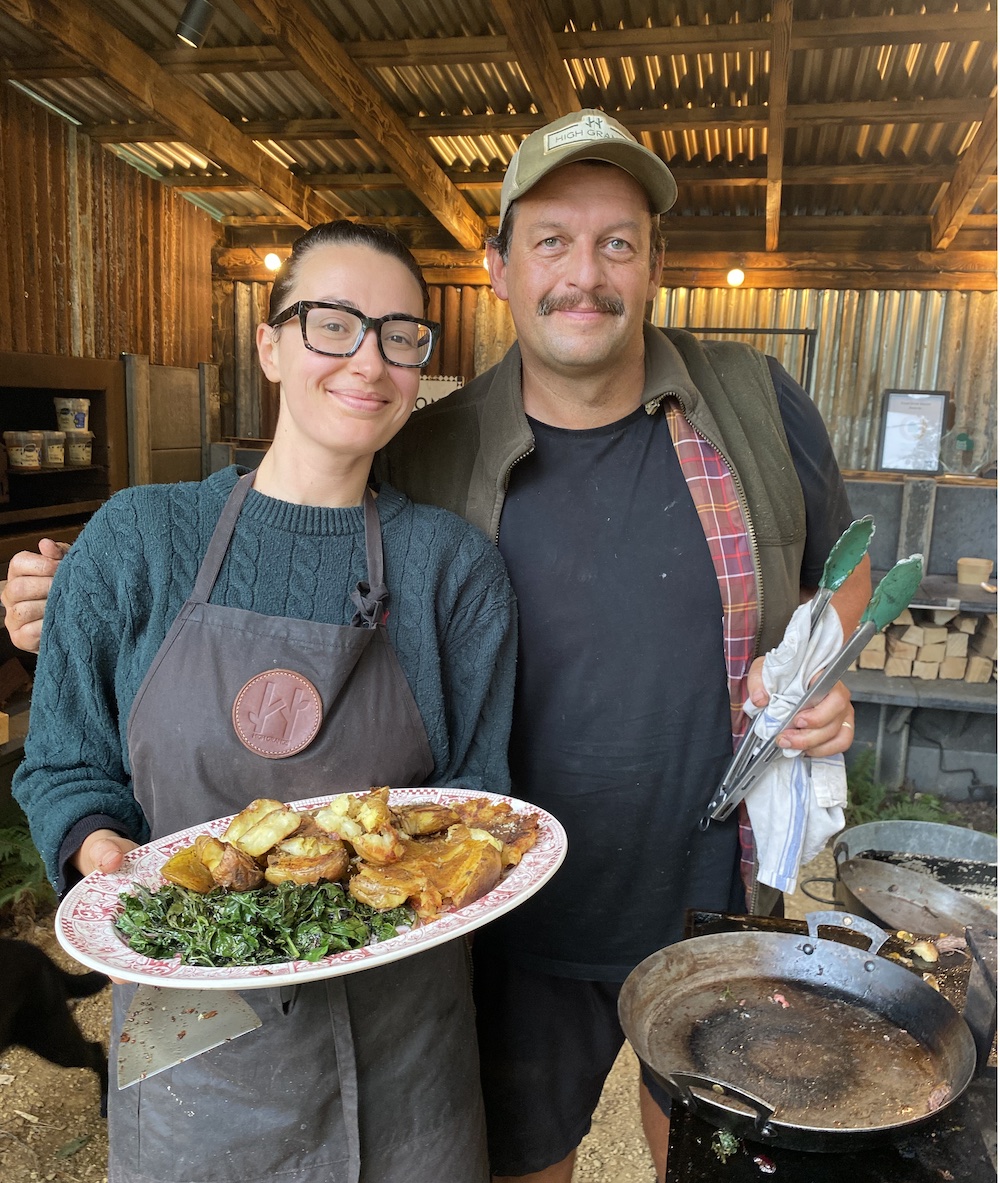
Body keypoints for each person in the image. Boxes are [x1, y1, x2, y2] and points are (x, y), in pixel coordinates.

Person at [4, 110, 869, 1183]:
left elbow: (838, 578)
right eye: (551, 238)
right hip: (349, 964)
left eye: (617, 242)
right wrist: (75, 601)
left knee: (707, 1159)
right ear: (499, 268)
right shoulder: (348, 482)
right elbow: (91, 742)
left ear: (653, 265)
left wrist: (819, 677)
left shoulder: (715, 416)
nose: (363, 362)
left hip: (638, 907)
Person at [9, 220, 518, 1183]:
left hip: (404, 1035)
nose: (368, 358)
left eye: (401, 334)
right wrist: (98, 846)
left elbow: (478, 799)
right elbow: (66, 762)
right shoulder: (136, 539)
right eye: (332, 323)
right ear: (270, 344)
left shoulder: (455, 572)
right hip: (190, 1029)